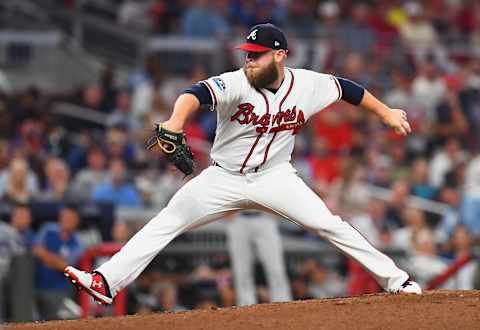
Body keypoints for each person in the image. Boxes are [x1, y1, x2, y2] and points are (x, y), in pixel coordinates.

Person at [64, 23, 421, 305]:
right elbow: (194, 94)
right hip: (223, 178)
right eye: (247, 54)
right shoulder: (236, 83)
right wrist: (175, 122)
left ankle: (397, 281)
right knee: (166, 221)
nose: (249, 60)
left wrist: (387, 111)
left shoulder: (308, 84)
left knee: (330, 224)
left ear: (280, 55)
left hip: (276, 177)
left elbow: (348, 90)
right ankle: (106, 281)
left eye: (257, 55)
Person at [226, 210, 291, 306]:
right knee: (241, 270)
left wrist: (277, 210)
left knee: (275, 268)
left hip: (264, 216)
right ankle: (246, 306)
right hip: (239, 217)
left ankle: (283, 303)